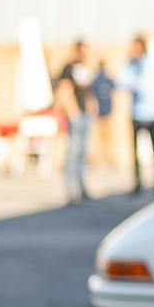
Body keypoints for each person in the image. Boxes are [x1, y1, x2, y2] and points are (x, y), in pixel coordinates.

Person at [117, 35, 154, 191]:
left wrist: (136, 84)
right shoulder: (131, 65)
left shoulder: (151, 64)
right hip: (137, 114)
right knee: (136, 151)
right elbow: (121, 81)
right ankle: (138, 181)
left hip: (152, 113)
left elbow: (149, 87)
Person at [54, 39, 96, 203]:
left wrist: (92, 106)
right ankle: (71, 189)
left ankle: (82, 187)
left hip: (86, 114)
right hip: (76, 115)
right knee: (73, 151)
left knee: (83, 153)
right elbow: (64, 90)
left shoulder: (86, 68)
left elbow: (89, 91)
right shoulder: (69, 68)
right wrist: (73, 111)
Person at [89, 60, 116, 168]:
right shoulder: (97, 80)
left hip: (106, 111)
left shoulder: (105, 79)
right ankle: (99, 158)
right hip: (100, 111)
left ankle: (108, 157)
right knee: (99, 135)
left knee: (108, 136)